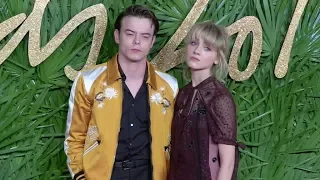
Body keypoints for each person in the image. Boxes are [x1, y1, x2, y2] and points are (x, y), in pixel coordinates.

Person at [64, 5, 178, 180]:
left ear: (152, 41)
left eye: (145, 36)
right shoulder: (88, 81)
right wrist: (80, 176)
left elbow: (177, 140)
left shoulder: (169, 86)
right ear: (117, 36)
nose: (137, 41)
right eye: (130, 33)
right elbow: (74, 138)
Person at [168, 22, 244, 180]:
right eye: (194, 43)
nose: (196, 51)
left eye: (207, 48)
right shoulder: (182, 94)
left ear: (217, 58)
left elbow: (228, 163)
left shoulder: (220, 98)